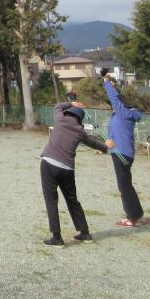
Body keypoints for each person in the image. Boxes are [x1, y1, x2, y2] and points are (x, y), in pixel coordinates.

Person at [40, 100, 108, 246]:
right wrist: (106, 147)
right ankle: (85, 233)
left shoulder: (60, 119)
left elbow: (57, 106)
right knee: (72, 200)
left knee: (51, 200)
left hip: (49, 163)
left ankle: (57, 238)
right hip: (67, 169)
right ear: (79, 119)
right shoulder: (79, 131)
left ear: (68, 113)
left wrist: (71, 103)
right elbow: (93, 143)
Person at [102, 70, 144, 227]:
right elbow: (113, 132)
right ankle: (137, 213)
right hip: (122, 152)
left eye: (113, 105)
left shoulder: (123, 113)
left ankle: (132, 217)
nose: (111, 105)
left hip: (121, 153)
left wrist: (106, 81)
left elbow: (114, 98)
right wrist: (108, 142)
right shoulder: (120, 116)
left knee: (123, 186)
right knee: (127, 184)